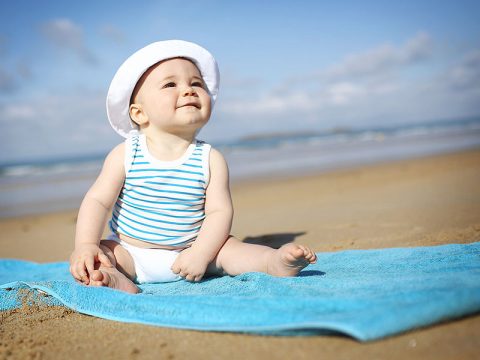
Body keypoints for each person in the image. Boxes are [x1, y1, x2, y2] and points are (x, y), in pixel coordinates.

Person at [69, 40, 317, 294]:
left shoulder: (210, 158)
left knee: (231, 250)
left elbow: (219, 213)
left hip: (193, 251)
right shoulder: (126, 153)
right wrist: (85, 244)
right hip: (131, 251)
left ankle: (272, 262)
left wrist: (201, 252)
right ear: (139, 113)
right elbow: (98, 201)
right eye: (170, 84)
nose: (189, 90)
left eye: (196, 83)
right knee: (102, 254)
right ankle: (111, 277)